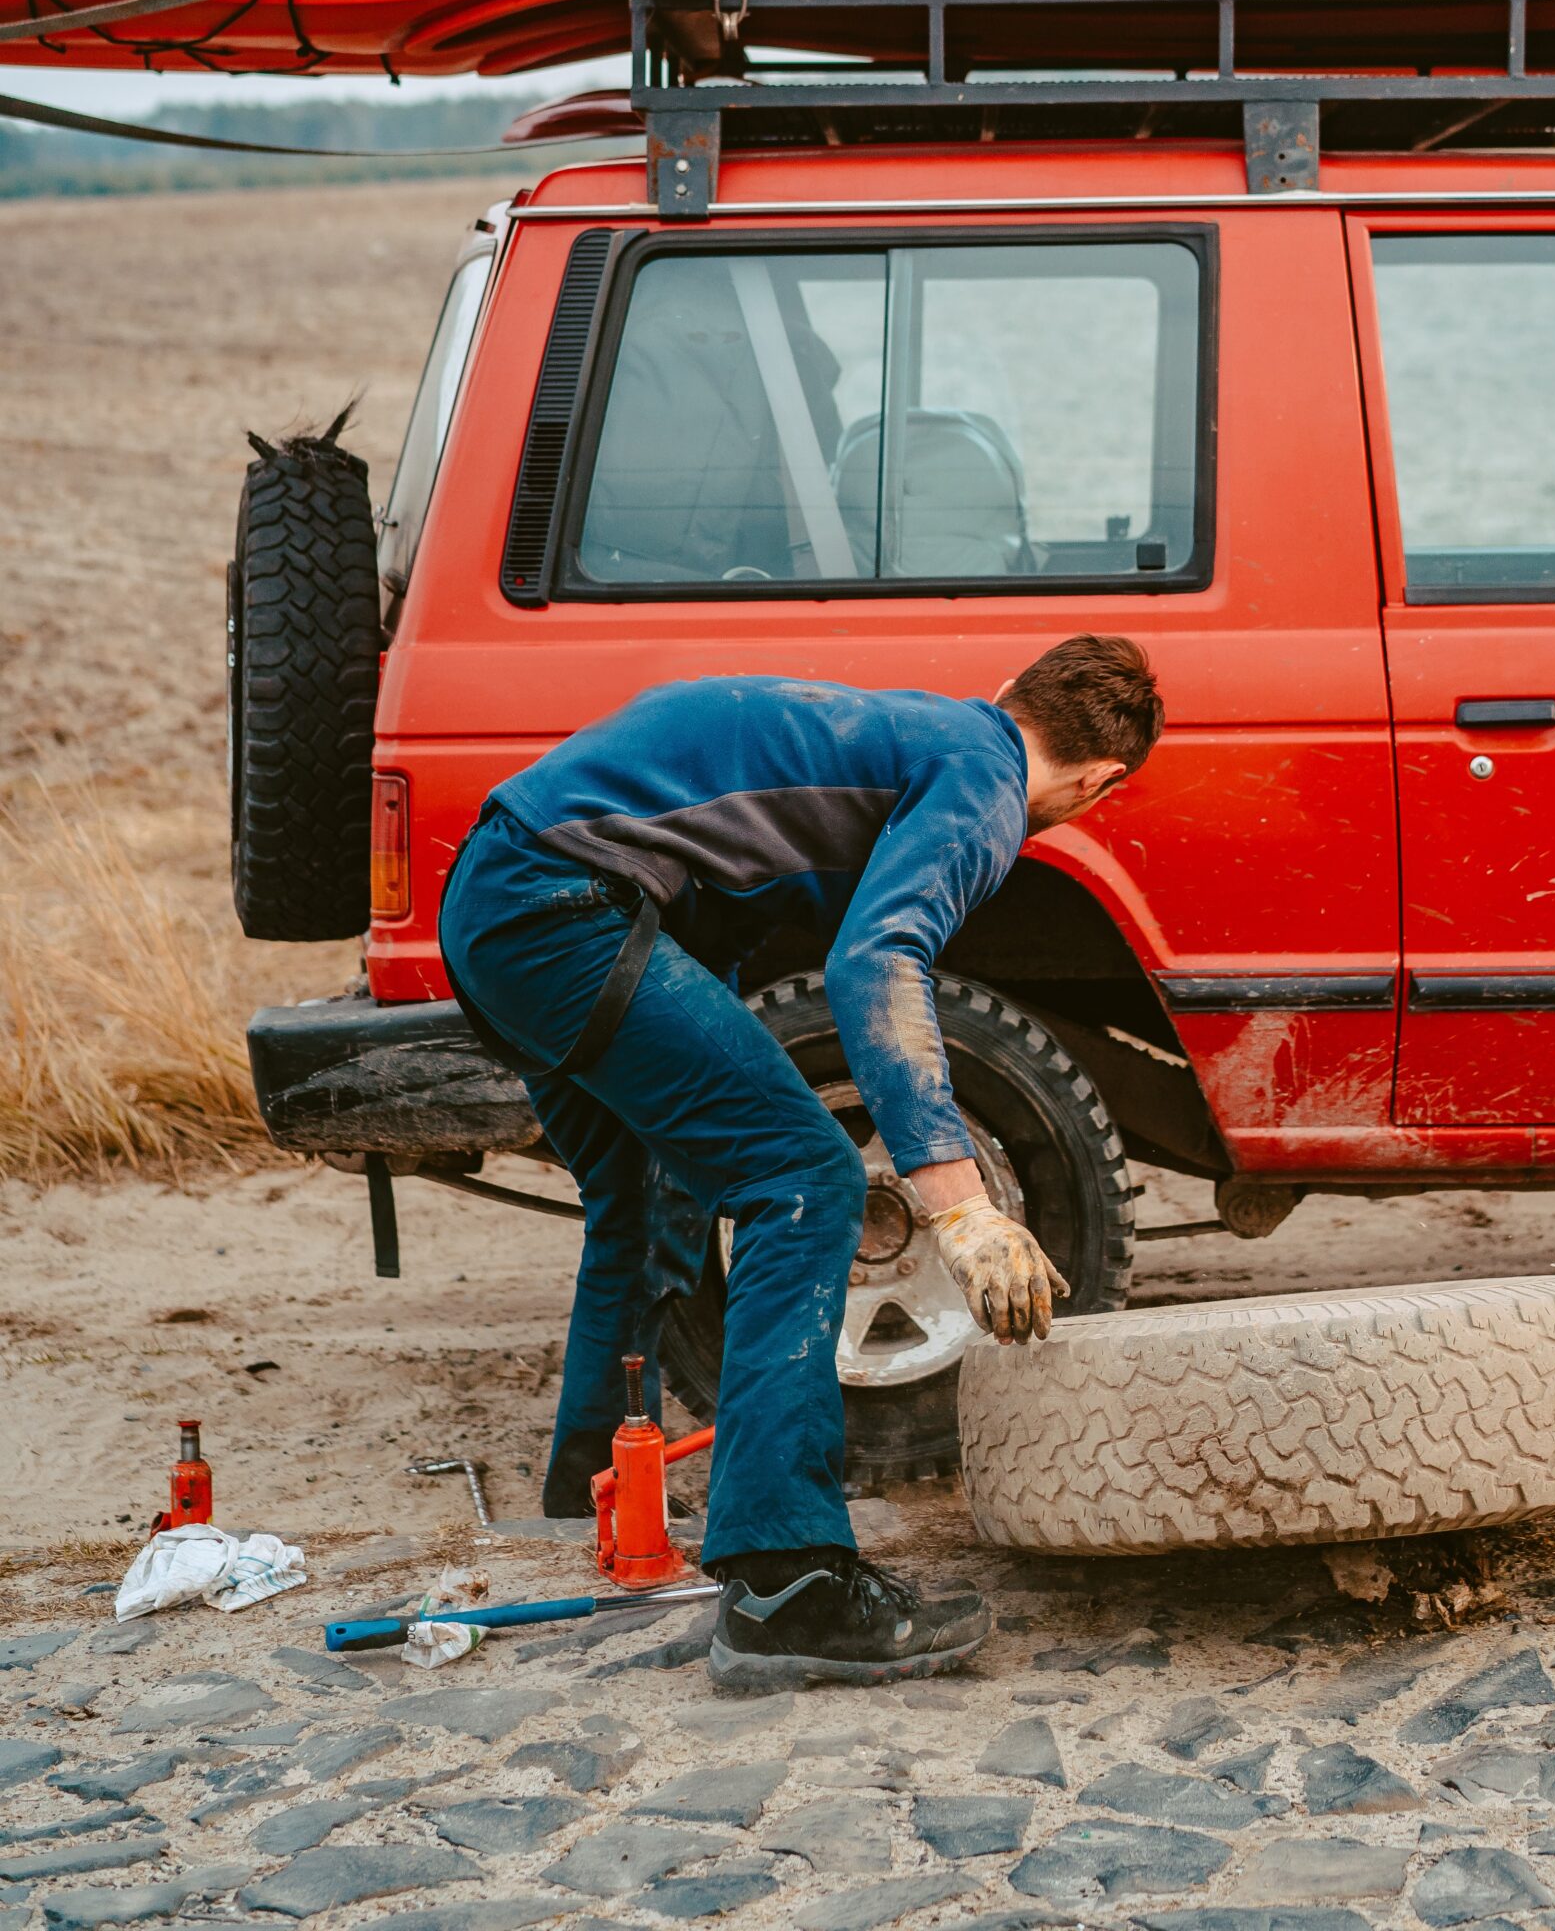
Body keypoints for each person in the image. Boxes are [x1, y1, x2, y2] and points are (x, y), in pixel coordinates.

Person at [437, 633, 1164, 1690]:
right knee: (809, 1181)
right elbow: (880, 958)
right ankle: (789, 1582)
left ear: (1012, 688)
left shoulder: (907, 735)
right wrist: (960, 1204)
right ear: (1100, 780)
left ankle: (592, 1509)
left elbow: (737, 903)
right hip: (565, 908)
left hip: (498, 900)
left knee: (644, 1195)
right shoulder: (985, 777)